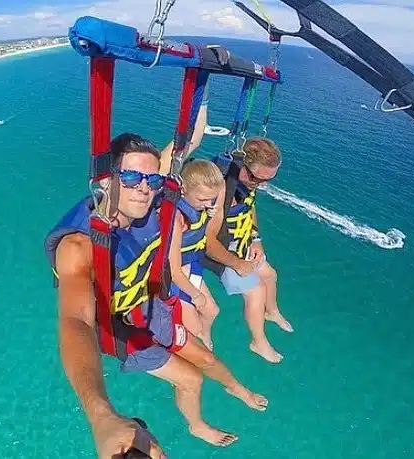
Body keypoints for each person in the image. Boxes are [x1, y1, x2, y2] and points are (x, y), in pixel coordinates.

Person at [45, 133, 268, 457]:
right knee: (192, 379)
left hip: (149, 306)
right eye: (132, 176)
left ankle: (238, 389)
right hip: (117, 326)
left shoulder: (154, 202)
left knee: (206, 357)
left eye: (151, 178)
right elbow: (76, 320)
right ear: (106, 181)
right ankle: (197, 425)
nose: (144, 186)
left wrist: (198, 85)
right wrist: (101, 415)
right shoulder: (80, 245)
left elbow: (187, 139)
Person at [203, 137, 293, 364]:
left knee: (270, 275)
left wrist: (256, 238)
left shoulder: (249, 184)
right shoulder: (222, 190)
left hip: (241, 242)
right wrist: (237, 264)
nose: (260, 184)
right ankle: (258, 343)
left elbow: (249, 209)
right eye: (256, 178)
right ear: (242, 165)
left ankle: (271, 312)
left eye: (266, 181)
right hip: (218, 251)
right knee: (256, 291)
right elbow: (208, 242)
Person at [167, 159, 223, 350]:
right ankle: (190, 347)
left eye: (211, 199)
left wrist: (208, 213)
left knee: (212, 311)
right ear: (183, 190)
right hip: (172, 279)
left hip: (189, 265)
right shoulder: (176, 219)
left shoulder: (201, 209)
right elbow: (173, 271)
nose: (208, 204)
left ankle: (203, 336)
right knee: (192, 327)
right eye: (202, 199)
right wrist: (196, 295)